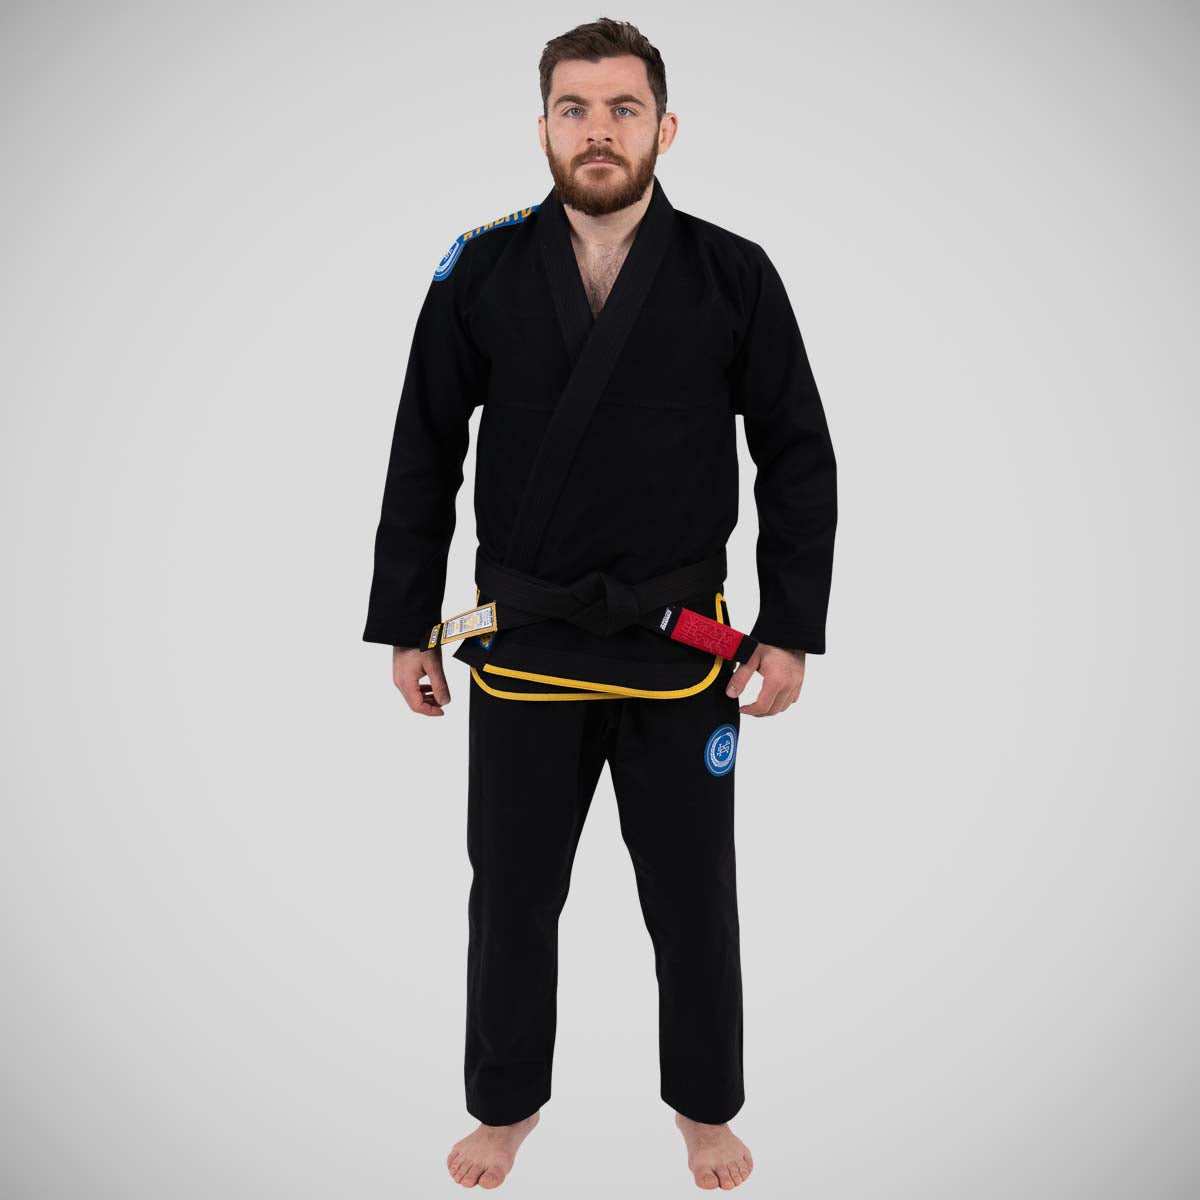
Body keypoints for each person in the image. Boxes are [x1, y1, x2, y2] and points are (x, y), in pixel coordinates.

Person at [362, 17, 837, 1191]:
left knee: (694, 901)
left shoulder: (732, 272)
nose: (598, 130)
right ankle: (506, 1106)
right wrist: (406, 621)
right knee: (512, 899)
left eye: (624, 108)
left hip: (686, 649)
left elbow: (797, 454)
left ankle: (705, 1109)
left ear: (665, 128)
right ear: (543, 127)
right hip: (525, 644)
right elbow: (423, 448)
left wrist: (790, 628)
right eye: (574, 108)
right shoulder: (480, 269)